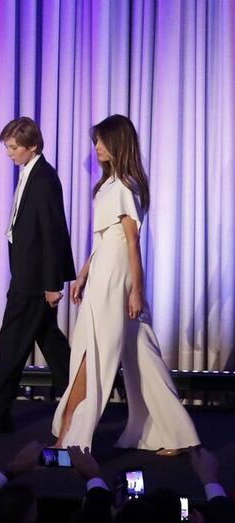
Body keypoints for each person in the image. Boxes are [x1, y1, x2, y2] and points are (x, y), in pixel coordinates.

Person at [52, 114, 200, 453]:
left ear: (118, 143)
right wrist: (85, 270)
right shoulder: (110, 184)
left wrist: (137, 290)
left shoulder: (123, 186)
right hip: (105, 271)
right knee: (141, 355)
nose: (97, 147)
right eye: (96, 142)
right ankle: (175, 435)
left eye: (102, 141)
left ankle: (69, 434)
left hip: (117, 279)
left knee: (94, 352)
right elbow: (107, 238)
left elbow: (131, 243)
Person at [0, 117, 75, 435]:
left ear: (33, 146)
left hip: (34, 280)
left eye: (14, 148)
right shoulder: (32, 173)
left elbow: (53, 233)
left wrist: (52, 284)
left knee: (11, 344)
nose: (9, 153)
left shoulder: (44, 178)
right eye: (8, 147)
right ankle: (82, 402)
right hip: (29, 275)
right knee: (51, 344)